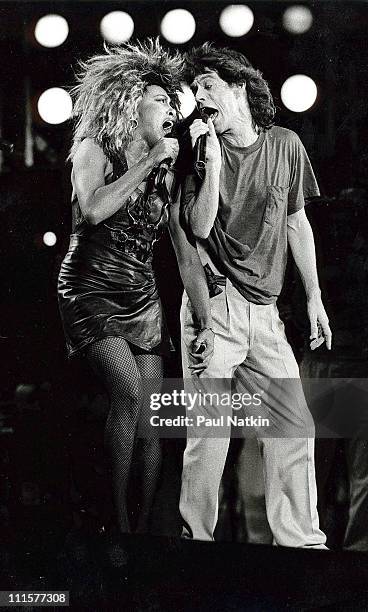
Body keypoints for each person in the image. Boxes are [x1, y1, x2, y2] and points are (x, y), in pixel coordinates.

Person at [178, 43, 332, 547]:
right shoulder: (198, 153)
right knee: (211, 432)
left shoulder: (286, 144)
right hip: (215, 305)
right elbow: (199, 228)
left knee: (293, 422)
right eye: (194, 90)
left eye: (208, 86)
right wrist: (215, 161)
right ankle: (195, 540)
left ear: (238, 87)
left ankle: (301, 542)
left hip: (265, 313)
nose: (199, 99)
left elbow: (296, 222)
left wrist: (313, 296)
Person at [57, 40, 213, 534]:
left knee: (152, 416)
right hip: (91, 285)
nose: (169, 108)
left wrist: (204, 321)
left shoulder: (167, 169)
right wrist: (148, 163)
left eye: (172, 102)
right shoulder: (93, 147)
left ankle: (144, 534)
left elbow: (184, 250)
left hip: (140, 290)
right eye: (159, 100)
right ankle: (118, 528)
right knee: (127, 393)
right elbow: (94, 208)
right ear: (130, 103)